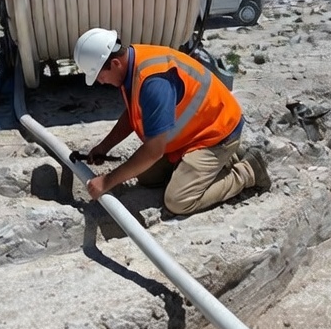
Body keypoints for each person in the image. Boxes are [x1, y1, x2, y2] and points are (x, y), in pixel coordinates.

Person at [73, 27, 271, 215]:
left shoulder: (152, 81)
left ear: (115, 64)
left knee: (177, 201)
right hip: (196, 131)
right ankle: (212, 164)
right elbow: (133, 114)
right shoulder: (132, 64)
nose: (100, 81)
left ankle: (248, 171)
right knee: (147, 177)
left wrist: (106, 182)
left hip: (218, 133)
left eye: (99, 75)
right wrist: (104, 146)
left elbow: (153, 151)